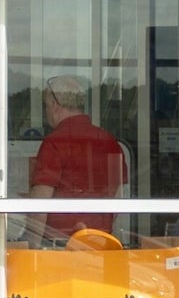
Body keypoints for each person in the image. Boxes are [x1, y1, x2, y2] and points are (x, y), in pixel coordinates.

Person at [26, 76, 129, 242]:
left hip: (60, 247)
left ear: (54, 105)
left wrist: (30, 244)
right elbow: (117, 200)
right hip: (101, 244)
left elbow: (40, 206)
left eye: (46, 106)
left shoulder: (54, 143)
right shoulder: (110, 142)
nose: (47, 112)